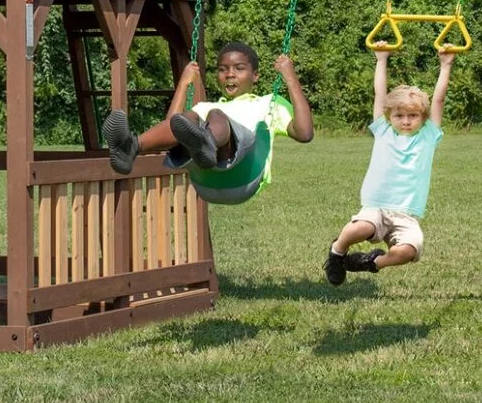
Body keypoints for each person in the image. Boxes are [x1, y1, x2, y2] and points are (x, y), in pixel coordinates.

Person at [101, 40, 314, 191]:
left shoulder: (269, 103)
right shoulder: (205, 106)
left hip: (244, 175)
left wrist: (290, 78)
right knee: (189, 119)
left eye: (239, 68)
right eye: (222, 69)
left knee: (215, 115)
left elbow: (305, 133)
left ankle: (207, 144)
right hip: (206, 180)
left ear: (255, 75)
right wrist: (183, 84)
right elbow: (171, 126)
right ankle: (131, 147)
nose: (230, 74)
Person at [325, 48, 453, 286]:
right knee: (360, 228)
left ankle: (371, 263)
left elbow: (438, 99)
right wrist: (381, 59)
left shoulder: (428, 136)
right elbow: (379, 94)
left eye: (413, 116)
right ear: (389, 116)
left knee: (409, 250)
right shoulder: (383, 130)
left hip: (406, 213)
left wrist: (445, 65)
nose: (406, 121)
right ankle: (337, 252)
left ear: (423, 118)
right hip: (377, 205)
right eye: (400, 115)